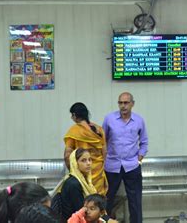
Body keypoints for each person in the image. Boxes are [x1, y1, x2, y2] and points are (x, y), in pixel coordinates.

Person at [103, 92, 148, 223]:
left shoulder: (139, 120)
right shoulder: (109, 119)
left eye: (126, 103)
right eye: (120, 103)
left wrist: (139, 158)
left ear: (132, 104)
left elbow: (144, 142)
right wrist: (104, 158)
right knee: (107, 200)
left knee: (135, 201)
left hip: (132, 166)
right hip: (112, 166)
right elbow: (102, 140)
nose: (123, 106)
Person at [64, 102, 108, 196]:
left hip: (83, 172)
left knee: (86, 200)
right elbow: (104, 152)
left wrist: (73, 171)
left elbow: (67, 155)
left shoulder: (74, 130)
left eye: (72, 115)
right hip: (98, 171)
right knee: (98, 201)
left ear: (75, 115)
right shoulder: (99, 129)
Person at [59, 149, 97, 221]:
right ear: (75, 163)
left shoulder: (85, 181)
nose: (88, 163)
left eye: (90, 159)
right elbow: (83, 211)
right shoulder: (73, 184)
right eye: (83, 160)